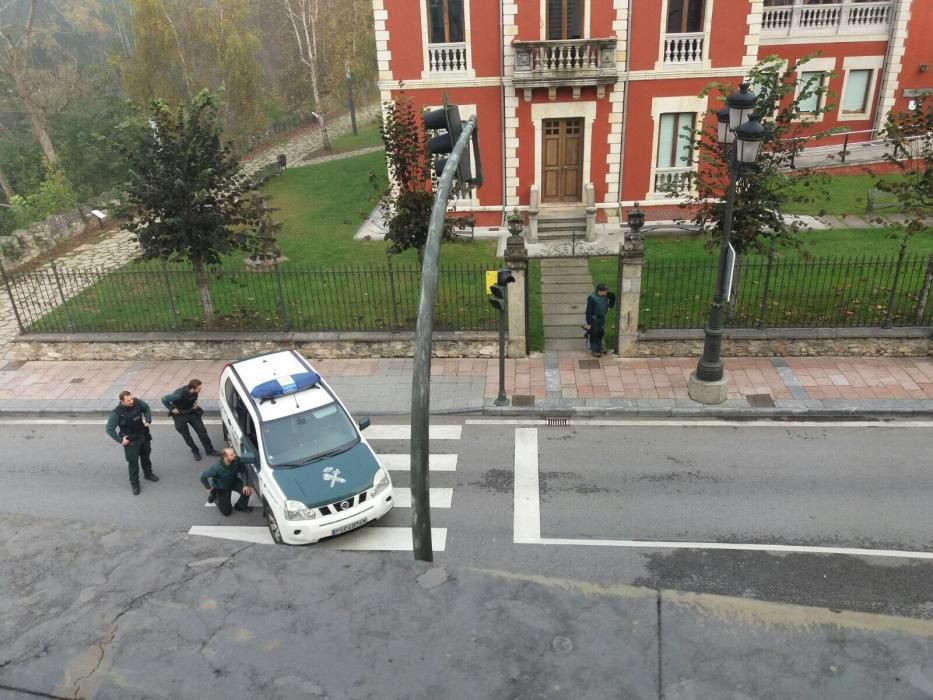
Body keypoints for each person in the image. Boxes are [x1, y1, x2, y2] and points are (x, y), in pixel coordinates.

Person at [106, 390, 158, 495]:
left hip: (143, 435)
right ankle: (135, 484)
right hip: (131, 441)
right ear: (122, 401)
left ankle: (148, 474)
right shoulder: (116, 413)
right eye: (128, 400)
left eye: (132, 399)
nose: (131, 401)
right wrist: (121, 440)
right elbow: (109, 429)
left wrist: (148, 419)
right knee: (133, 462)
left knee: (146, 456)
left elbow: (146, 408)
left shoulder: (137, 402)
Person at [162, 379, 220, 462]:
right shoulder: (179, 395)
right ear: (192, 388)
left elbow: (194, 398)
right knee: (186, 435)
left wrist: (195, 404)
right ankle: (195, 450)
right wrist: (172, 408)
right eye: (199, 388)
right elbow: (164, 399)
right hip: (180, 415)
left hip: (191, 412)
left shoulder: (195, 392)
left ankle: (210, 450)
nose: (200, 389)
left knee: (202, 431)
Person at [199, 447, 254, 516]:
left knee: (247, 491)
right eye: (232, 454)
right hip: (222, 487)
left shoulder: (237, 460)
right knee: (226, 512)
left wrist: (245, 485)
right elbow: (202, 476)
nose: (235, 455)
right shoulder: (216, 468)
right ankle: (216, 497)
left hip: (234, 482)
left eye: (234, 453)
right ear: (225, 457)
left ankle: (240, 506)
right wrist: (208, 487)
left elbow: (243, 471)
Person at [584, 282, 616, 356]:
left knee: (601, 332)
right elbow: (588, 312)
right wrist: (588, 323)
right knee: (594, 334)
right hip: (594, 319)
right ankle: (594, 350)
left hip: (601, 317)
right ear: (599, 291)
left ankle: (600, 347)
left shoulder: (607, 295)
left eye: (606, 290)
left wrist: (610, 306)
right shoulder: (592, 299)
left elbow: (613, 296)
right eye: (604, 291)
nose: (606, 292)